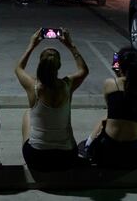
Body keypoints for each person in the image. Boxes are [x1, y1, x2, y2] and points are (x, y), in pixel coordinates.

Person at [15, 28, 89, 171]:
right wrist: (70, 45)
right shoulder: (67, 85)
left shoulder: (33, 86)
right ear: (59, 66)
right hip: (67, 157)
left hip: (37, 158)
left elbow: (18, 68)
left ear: (40, 65)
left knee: (28, 114)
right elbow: (83, 70)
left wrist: (32, 45)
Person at [78, 47, 137, 169]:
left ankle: (88, 145)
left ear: (120, 65)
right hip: (135, 153)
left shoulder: (111, 84)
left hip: (109, 152)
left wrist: (118, 73)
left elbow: (111, 112)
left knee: (105, 119)